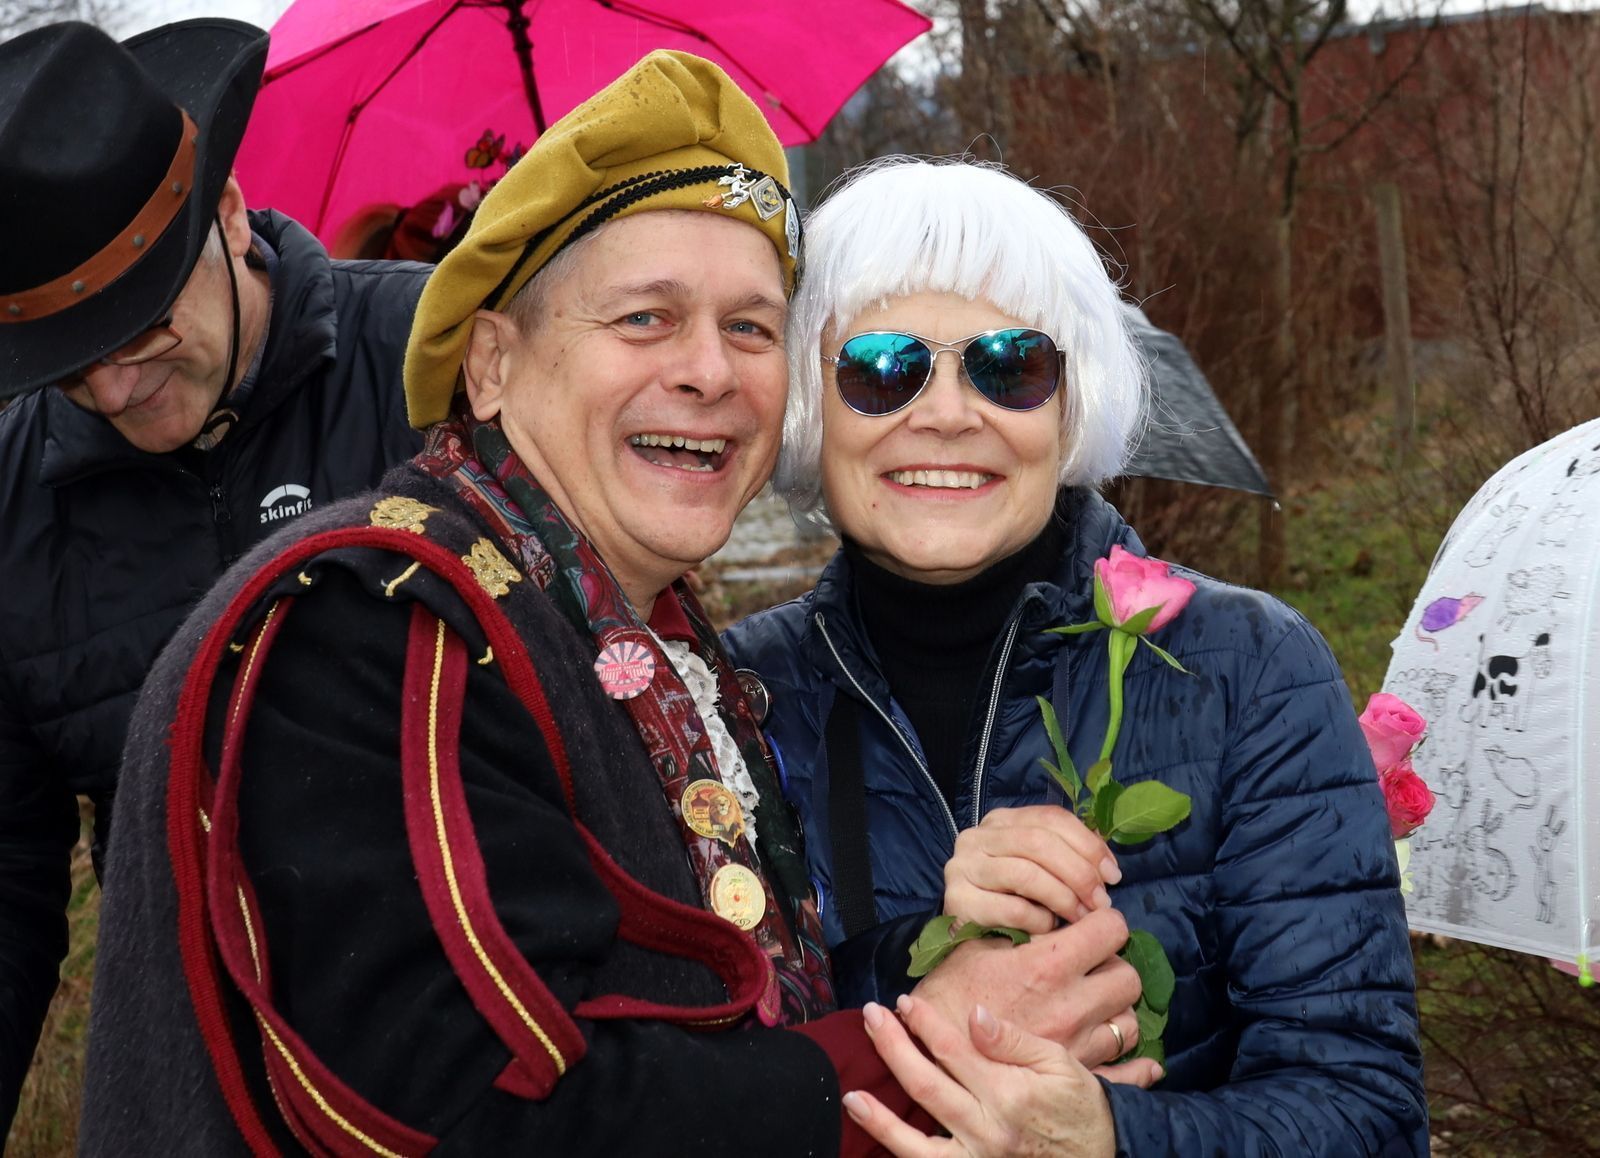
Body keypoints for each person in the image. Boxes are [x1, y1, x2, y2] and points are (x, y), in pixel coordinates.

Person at [80, 54, 1158, 1154]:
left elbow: (711, 997)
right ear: (492, 366)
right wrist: (929, 1044)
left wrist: (957, 957)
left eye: (750, 328)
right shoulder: (380, 625)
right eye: (645, 318)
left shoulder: (629, 631)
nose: (709, 371)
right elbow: (461, 1113)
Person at [723, 157, 1430, 1154]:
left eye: (1009, 365)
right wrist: (909, 969)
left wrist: (1106, 1137)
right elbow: (680, 1074)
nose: (947, 412)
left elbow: (1368, 1115)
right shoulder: (731, 695)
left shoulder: (1251, 669)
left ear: (1069, 402)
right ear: (809, 405)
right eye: (882, 368)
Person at [0, 19, 427, 1136]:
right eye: (66, 359)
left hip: (482, 1059)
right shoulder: (11, 502)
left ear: (229, 216)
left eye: (139, 326)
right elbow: (5, 876)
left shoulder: (439, 364)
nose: (113, 384)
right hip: (193, 1084)